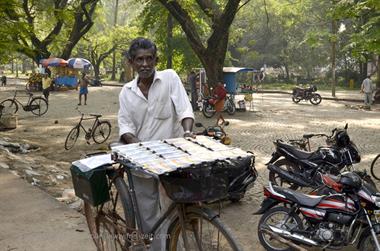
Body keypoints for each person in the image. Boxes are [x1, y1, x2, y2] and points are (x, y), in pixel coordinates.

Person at [118, 37, 194, 249]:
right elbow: (125, 128)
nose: (145, 64)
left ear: (156, 60)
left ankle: (171, 245)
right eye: (139, 59)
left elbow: (184, 110)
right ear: (131, 62)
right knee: (147, 213)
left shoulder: (169, 78)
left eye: (149, 59)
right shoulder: (126, 92)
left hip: (172, 159)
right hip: (141, 162)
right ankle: (157, 247)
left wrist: (187, 132)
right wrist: (142, 149)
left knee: (172, 209)